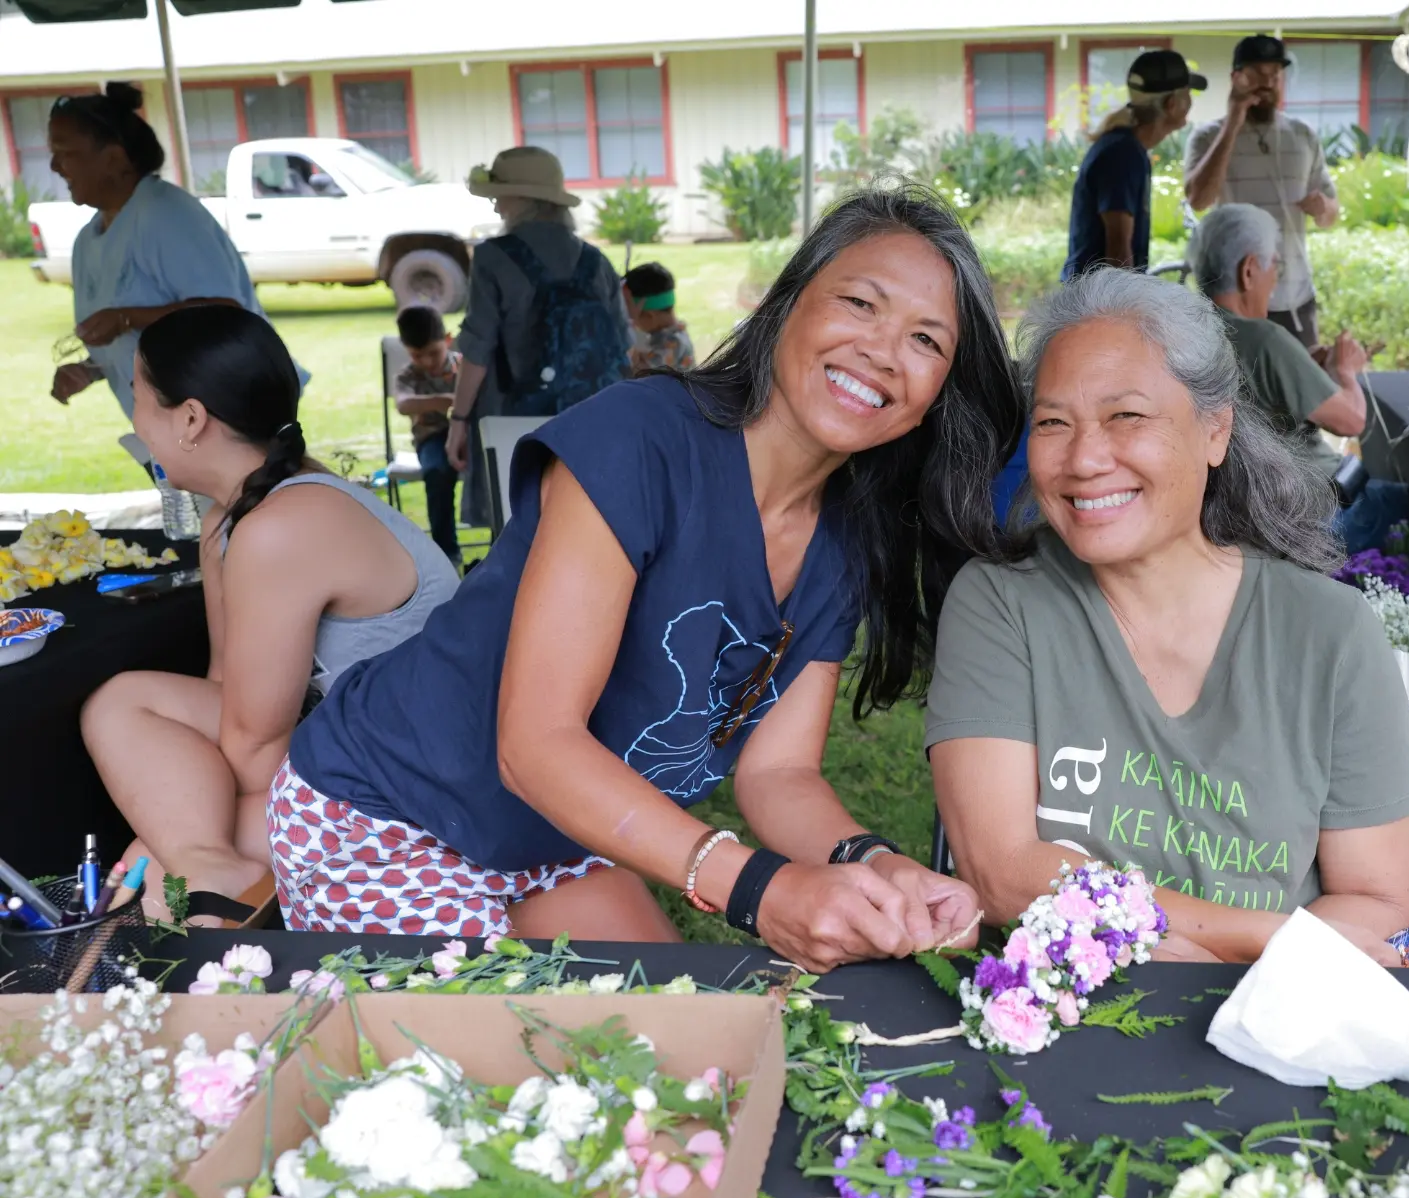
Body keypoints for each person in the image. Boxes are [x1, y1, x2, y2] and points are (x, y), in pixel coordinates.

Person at [274, 189, 1018, 971]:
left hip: (558, 831)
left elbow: (780, 771)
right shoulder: (639, 442)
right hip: (385, 813)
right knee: (505, 1078)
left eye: (927, 340)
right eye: (861, 302)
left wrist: (878, 866)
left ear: (940, 390)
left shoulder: (845, 540)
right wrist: (759, 889)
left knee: (687, 1061)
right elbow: (537, 746)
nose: (882, 348)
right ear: (786, 303)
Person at [926, 268, 1409, 966]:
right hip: (1056, 1021)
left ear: (1215, 431)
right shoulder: (1001, 605)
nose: (1085, 458)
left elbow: (1375, 899)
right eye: (1052, 422)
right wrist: (1265, 938)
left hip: (1269, 1027)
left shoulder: (1331, 634)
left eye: (1126, 416)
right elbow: (1004, 873)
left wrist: (1221, 966)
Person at [80, 307, 460, 921]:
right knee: (121, 704)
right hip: (346, 751)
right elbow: (228, 690)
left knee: (151, 876)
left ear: (191, 418)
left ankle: (212, 875)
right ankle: (208, 864)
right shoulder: (228, 520)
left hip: (421, 785)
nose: (135, 424)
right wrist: (179, 818)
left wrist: (168, 829)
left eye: (139, 400)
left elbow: (254, 747)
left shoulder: (284, 525)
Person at [44, 83, 302, 420]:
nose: (54, 166)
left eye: (65, 153)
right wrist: (90, 369)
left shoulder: (164, 213)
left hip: (229, 418)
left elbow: (225, 314)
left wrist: (125, 318)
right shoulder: (88, 241)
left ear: (114, 158)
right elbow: (134, 344)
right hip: (169, 430)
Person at [1189, 203, 1409, 553]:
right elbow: (1351, 421)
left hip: (1237, 508)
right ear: (1249, 271)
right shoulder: (1266, 339)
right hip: (1313, 513)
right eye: (1274, 265)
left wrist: (1307, 370)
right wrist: (1346, 373)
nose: (1275, 279)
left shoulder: (1188, 332)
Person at [446, 146, 632, 526]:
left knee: (519, 532)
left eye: (500, 195)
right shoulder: (595, 262)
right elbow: (624, 350)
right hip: (592, 424)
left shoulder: (492, 258)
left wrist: (458, 420)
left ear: (525, 199)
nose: (496, 205)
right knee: (588, 527)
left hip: (515, 426)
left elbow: (477, 351)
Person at [1184, 36, 1339, 348]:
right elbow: (1199, 200)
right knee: (1233, 393)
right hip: (1233, 299)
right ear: (1236, 78)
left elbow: (1331, 215)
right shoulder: (1208, 137)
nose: (1267, 84)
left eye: (1275, 76)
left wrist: (1322, 207)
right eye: (1257, 75)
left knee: (1300, 392)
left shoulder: (1302, 135)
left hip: (1295, 297)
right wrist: (1234, 121)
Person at [1061, 50, 1203, 279]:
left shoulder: (1126, 148)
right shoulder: (1123, 155)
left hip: (1096, 296)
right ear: (1172, 104)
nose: (1192, 101)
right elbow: (1118, 249)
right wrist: (1128, 309)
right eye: (1188, 93)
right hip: (1097, 302)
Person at [394, 305, 464, 566]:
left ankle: (500, 543)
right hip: (432, 438)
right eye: (417, 355)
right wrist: (445, 399)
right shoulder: (408, 376)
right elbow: (403, 404)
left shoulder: (463, 366)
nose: (427, 362)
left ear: (447, 340)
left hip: (471, 435)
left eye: (434, 353)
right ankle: (447, 553)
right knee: (436, 472)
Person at [624, 262, 698, 374]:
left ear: (649, 316)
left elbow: (638, 374)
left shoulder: (671, 344)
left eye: (631, 316)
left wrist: (634, 328)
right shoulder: (676, 332)